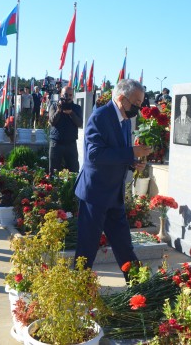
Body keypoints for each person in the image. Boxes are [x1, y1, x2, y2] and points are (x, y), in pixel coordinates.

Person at [74, 79, 152, 269]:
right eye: (136, 104)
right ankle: (78, 289)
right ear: (121, 98)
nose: (139, 108)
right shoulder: (100, 117)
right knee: (87, 247)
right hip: (95, 193)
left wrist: (133, 163)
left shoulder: (125, 121)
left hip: (114, 195)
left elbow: (119, 153)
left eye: (141, 104)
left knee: (124, 245)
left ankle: (137, 288)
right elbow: (94, 155)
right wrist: (131, 152)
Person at [48, 86, 82, 174]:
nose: (68, 97)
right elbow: (52, 122)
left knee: (74, 171)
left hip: (70, 144)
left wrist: (71, 113)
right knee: (53, 171)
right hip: (56, 143)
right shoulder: (54, 106)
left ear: (73, 96)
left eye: (70, 95)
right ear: (61, 95)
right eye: (65, 95)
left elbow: (80, 123)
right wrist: (58, 111)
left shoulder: (76, 108)